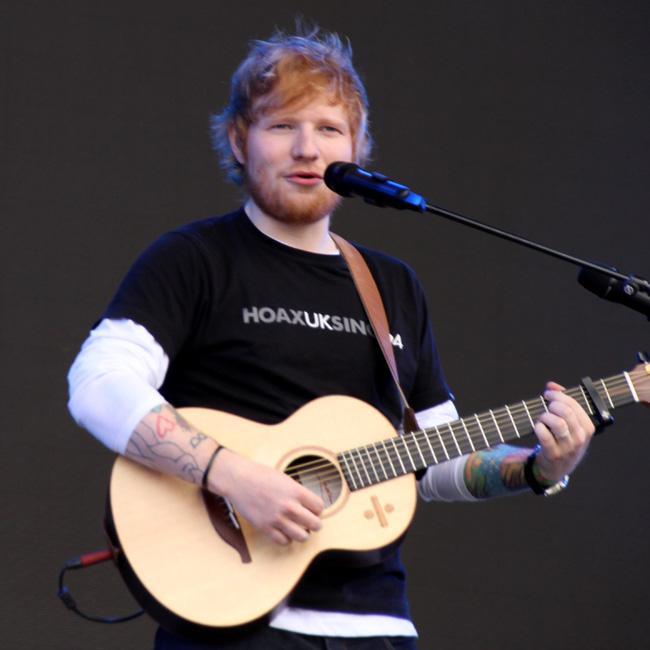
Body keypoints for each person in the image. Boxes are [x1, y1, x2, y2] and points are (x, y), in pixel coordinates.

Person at [67, 28, 595, 650]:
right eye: (282, 126)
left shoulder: (391, 286)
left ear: (356, 150)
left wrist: (539, 468)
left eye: (328, 129)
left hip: (378, 629)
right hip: (236, 627)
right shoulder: (194, 259)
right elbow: (97, 384)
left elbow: (434, 461)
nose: (307, 149)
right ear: (239, 140)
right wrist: (232, 475)